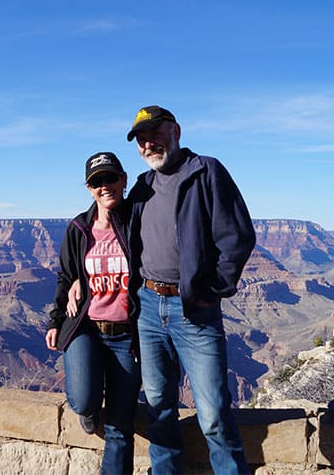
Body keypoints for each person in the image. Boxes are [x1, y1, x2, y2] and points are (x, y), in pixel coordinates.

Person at [125, 105, 256, 475]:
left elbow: (238, 236)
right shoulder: (142, 186)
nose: (149, 143)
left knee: (213, 410)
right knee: (159, 406)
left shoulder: (206, 171)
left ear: (176, 130)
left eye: (155, 133)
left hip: (193, 308)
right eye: (141, 139)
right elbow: (112, 233)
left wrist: (211, 288)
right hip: (148, 308)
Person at [45, 151, 141, 475]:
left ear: (123, 180)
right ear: (89, 188)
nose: (105, 186)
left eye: (110, 178)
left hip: (126, 334)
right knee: (84, 401)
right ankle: (88, 410)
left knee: (119, 426)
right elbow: (65, 274)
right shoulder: (78, 229)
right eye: (96, 181)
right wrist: (57, 319)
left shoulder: (136, 224)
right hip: (86, 327)